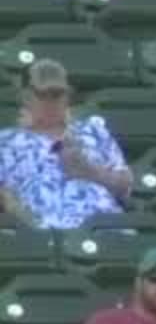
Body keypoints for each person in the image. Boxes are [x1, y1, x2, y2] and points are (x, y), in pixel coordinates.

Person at [0, 58, 130, 229]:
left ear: (68, 95)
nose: (51, 102)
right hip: (41, 231)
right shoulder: (6, 142)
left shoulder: (93, 131)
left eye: (57, 94)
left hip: (106, 227)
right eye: (42, 94)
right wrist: (18, 212)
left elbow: (125, 188)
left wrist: (89, 171)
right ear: (25, 96)